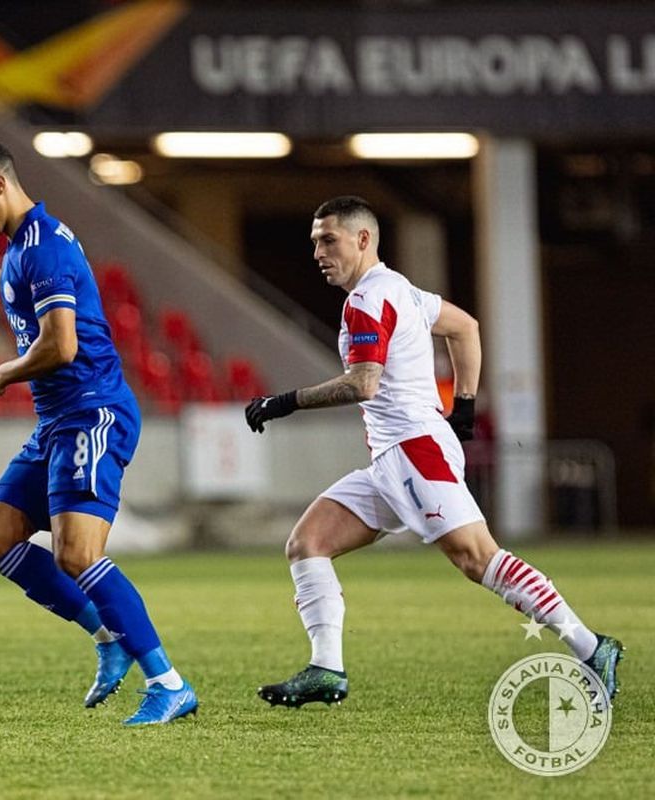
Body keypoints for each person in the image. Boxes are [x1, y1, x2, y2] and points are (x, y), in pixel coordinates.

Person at [245, 195, 624, 707]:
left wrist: (283, 402)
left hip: (413, 452)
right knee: (307, 543)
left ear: (363, 240)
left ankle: (590, 645)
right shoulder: (399, 288)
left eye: (328, 240)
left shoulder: (367, 300)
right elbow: (464, 327)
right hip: (393, 458)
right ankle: (326, 668)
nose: (318, 251)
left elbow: (364, 384)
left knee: (476, 558)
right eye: (314, 241)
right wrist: (463, 406)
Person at [0, 140, 197, 726]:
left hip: (92, 411)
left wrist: (4, 373)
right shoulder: (18, 247)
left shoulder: (45, 247)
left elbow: (62, 344)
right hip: (58, 420)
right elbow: (24, 294)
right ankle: (107, 636)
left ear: (0, 184)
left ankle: (168, 683)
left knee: (77, 553)